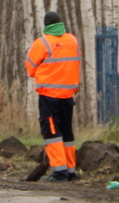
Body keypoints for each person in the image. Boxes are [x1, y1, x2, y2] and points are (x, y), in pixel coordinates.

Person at [25, 10, 81, 181]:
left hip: (49, 95)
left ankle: (59, 172)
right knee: (66, 132)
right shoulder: (72, 40)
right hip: (67, 95)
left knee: (52, 133)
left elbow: (30, 69)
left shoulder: (42, 43)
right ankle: (70, 171)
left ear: (46, 26)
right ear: (60, 24)